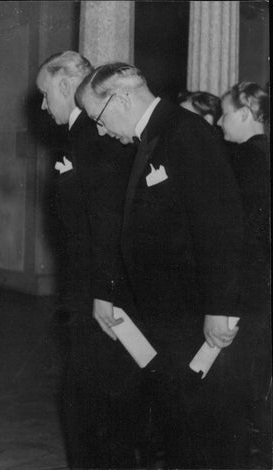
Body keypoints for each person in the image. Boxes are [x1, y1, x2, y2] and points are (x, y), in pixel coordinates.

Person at [77, 62, 246, 468]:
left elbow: (220, 225)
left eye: (98, 118)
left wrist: (220, 308)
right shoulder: (154, 135)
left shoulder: (184, 132)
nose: (100, 130)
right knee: (177, 430)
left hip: (193, 316)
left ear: (120, 99)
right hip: (167, 316)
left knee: (196, 436)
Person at [35, 51, 139, 468]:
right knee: (89, 403)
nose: (43, 105)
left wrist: (103, 293)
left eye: (46, 94)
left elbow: (108, 225)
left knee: (93, 409)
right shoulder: (79, 138)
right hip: (90, 292)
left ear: (64, 86)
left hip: (100, 297)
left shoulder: (91, 139)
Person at [217, 81, 271, 468]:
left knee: (236, 392)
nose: (219, 122)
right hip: (263, 289)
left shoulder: (243, 160)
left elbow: (237, 237)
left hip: (246, 291)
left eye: (224, 113)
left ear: (245, 114)